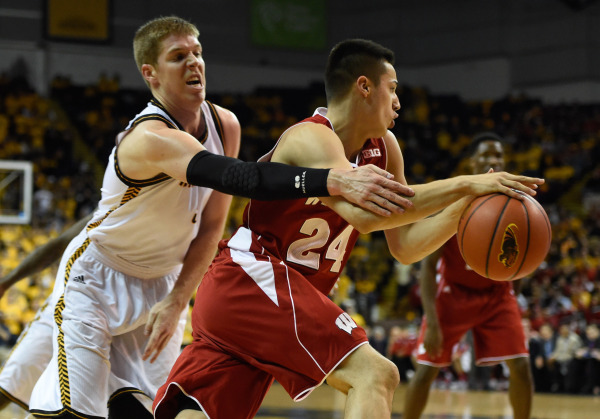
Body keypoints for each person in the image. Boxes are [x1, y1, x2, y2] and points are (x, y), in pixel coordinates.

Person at [25, 17, 417, 419]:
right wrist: (334, 180)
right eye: (179, 57)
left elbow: (213, 226)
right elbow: (240, 177)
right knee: (71, 407)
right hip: (101, 271)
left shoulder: (224, 123)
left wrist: (178, 299)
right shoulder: (150, 137)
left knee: (139, 408)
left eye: (197, 53)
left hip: (162, 280)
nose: (194, 62)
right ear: (150, 74)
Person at [153, 40, 543, 419]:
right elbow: (367, 216)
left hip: (254, 298)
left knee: (202, 412)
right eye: (392, 90)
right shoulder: (310, 136)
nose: (398, 102)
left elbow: (405, 246)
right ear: (364, 87)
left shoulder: (386, 147)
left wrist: (463, 210)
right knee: (375, 375)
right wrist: (465, 184)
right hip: (253, 277)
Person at [403, 132, 534, 419]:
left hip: (497, 295)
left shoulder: (514, 201)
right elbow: (428, 267)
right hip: (452, 296)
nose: (493, 160)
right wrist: (433, 321)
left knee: (522, 367)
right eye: (486, 155)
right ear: (472, 161)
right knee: (425, 371)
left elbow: (525, 257)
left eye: (498, 155)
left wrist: (514, 292)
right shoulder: (455, 199)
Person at [0, 215, 91, 411]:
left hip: (112, 312)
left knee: (74, 406)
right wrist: (6, 282)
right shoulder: (110, 205)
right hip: (69, 299)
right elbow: (58, 244)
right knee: (13, 378)